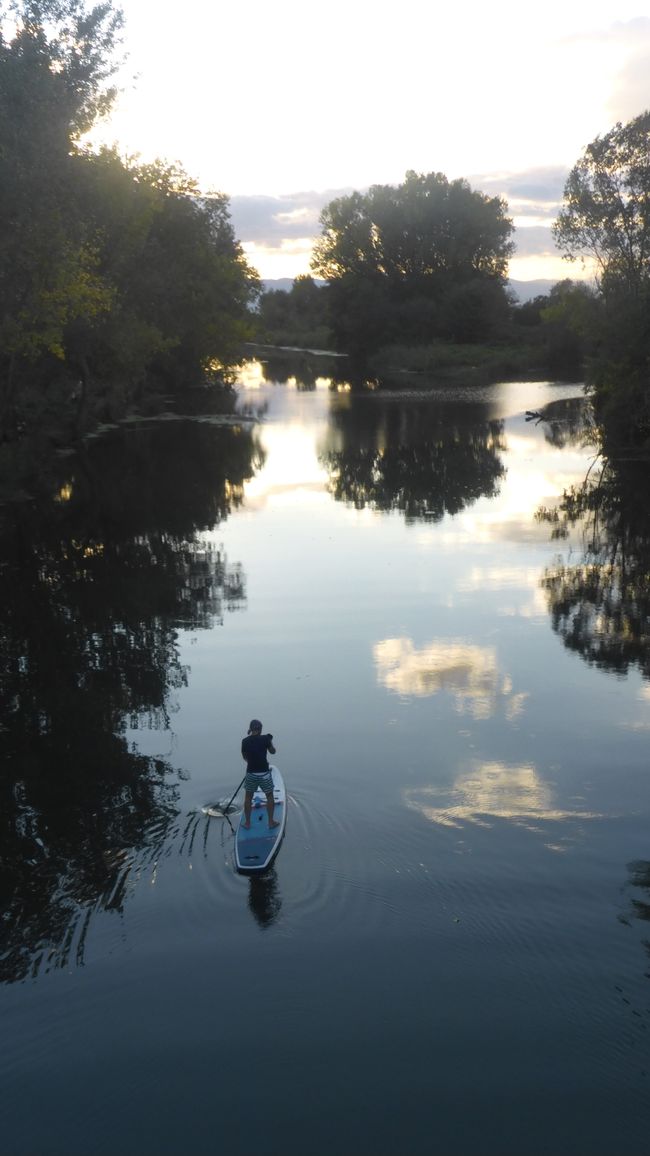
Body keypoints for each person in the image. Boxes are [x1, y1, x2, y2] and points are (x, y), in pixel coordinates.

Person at [241, 719, 279, 830]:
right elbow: (273, 751)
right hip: (264, 774)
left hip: (251, 773)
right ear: (260, 729)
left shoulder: (245, 741)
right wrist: (270, 741)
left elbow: (244, 757)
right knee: (269, 796)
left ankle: (247, 823)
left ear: (251, 729)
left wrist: (252, 761)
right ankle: (271, 822)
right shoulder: (265, 739)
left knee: (248, 798)